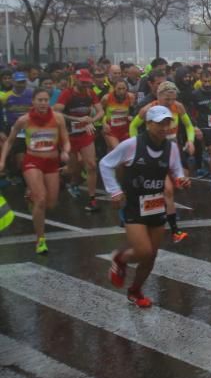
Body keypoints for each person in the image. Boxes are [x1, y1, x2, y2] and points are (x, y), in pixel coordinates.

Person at [104, 105, 191, 308]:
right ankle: (120, 259)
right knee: (143, 251)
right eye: (159, 123)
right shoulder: (132, 145)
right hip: (134, 204)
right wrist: (114, 191)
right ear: (148, 124)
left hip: (155, 205)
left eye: (167, 122)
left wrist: (182, 180)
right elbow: (105, 164)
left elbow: (177, 172)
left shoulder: (171, 147)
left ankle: (135, 290)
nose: (163, 127)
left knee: (151, 255)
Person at [0, 89, 69, 255]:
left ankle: (31, 192)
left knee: (51, 203)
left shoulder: (58, 118)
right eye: (40, 100)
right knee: (41, 200)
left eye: (46, 100)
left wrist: (65, 151)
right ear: (33, 102)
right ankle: (40, 240)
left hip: (52, 163)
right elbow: (9, 142)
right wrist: (2, 161)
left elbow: (66, 140)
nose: (44, 103)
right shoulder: (24, 120)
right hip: (32, 162)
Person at [130, 81, 195, 242]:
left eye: (173, 99)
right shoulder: (148, 109)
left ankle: (163, 210)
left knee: (181, 183)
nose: (170, 102)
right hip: (154, 151)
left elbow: (189, 126)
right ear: (158, 96)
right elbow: (132, 126)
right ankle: (174, 230)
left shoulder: (178, 107)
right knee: (167, 191)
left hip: (173, 150)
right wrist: (137, 147)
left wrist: (191, 141)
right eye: (167, 99)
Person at [54, 68, 104, 212]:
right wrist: (77, 119)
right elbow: (57, 112)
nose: (85, 86)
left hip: (84, 133)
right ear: (76, 80)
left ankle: (92, 199)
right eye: (82, 82)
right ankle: (59, 175)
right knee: (72, 168)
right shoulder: (67, 94)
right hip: (68, 135)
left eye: (87, 83)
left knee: (91, 165)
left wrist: (91, 120)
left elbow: (100, 111)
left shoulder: (90, 93)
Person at [0, 71, 34, 174]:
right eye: (18, 82)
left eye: (23, 82)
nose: (21, 84)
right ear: (13, 82)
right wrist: (1, 130)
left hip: (31, 129)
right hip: (13, 129)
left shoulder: (32, 94)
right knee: (18, 159)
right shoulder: (5, 96)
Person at [101, 79, 134, 150]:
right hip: (111, 131)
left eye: (123, 88)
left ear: (127, 88)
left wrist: (131, 116)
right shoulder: (106, 98)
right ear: (114, 88)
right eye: (119, 89)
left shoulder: (131, 97)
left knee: (126, 153)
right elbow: (100, 112)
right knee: (117, 150)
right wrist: (104, 123)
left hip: (125, 131)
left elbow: (133, 110)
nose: (121, 91)